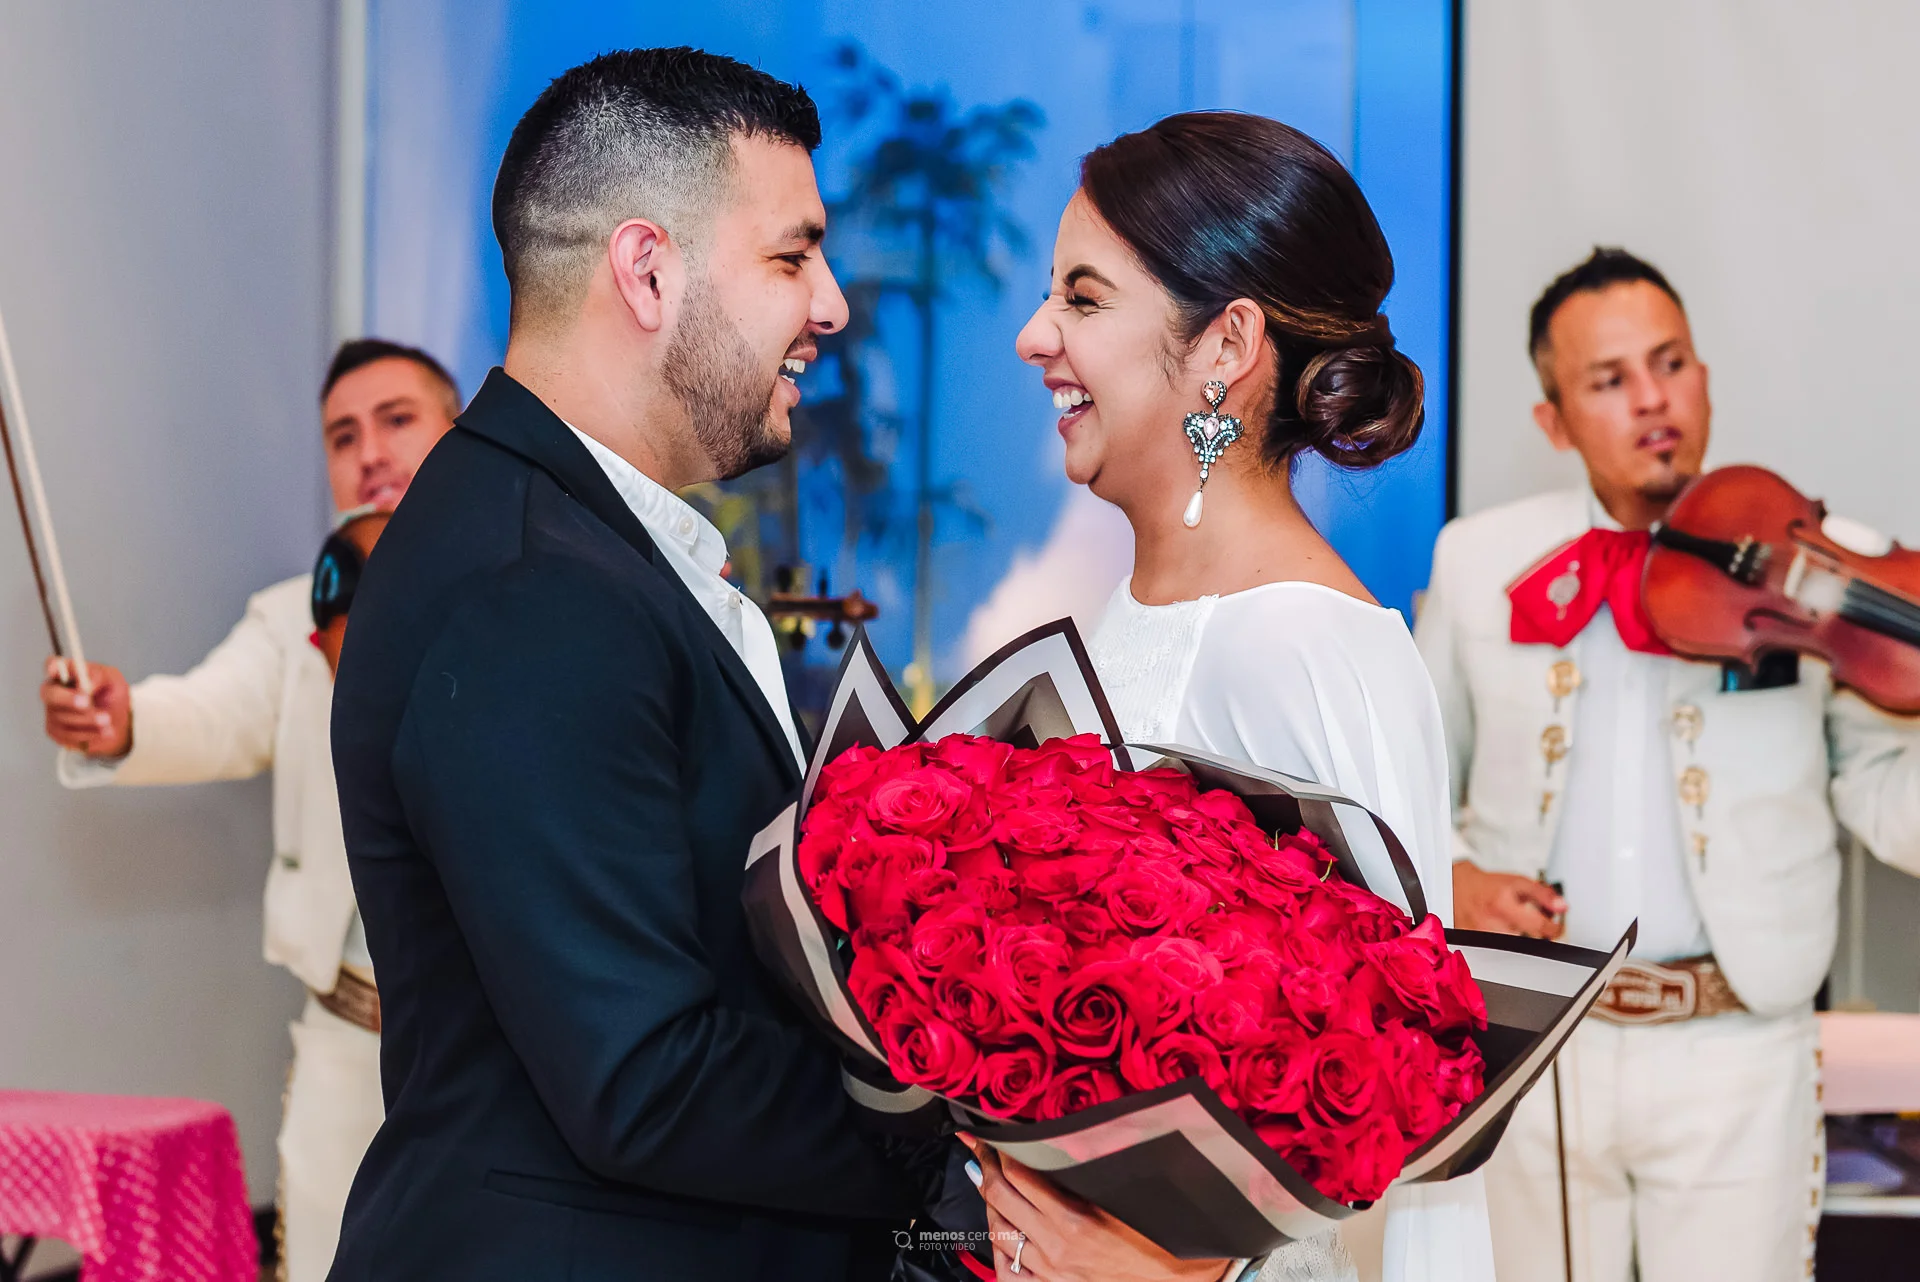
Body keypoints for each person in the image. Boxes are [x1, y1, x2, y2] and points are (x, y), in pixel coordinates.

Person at [325, 49, 922, 1282]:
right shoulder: (528, 584)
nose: (832, 306)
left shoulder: (580, 543)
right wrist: (975, 1127)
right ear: (647, 270)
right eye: (793, 255)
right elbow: (644, 1073)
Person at [965, 112, 1493, 1282]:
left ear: (1224, 347)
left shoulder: (1309, 646)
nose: (1032, 336)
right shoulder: (1130, 613)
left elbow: (1408, 1105)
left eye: (1084, 299)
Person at [1416, 247, 1920, 1282]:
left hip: (1737, 1048)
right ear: (1554, 420)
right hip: (1539, 1047)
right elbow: (1410, 791)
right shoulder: (1476, 560)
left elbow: (1884, 794)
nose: (1655, 400)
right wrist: (1454, 880)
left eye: (1673, 362)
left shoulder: (1823, 564)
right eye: (1609, 380)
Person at [36, 338, 459, 1282]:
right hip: (349, 1039)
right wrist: (121, 718)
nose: (371, 453)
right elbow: (213, 710)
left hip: (496, 1056)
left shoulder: (528, 590)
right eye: (343, 436)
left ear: (458, 429)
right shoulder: (291, 617)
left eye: (399, 420)